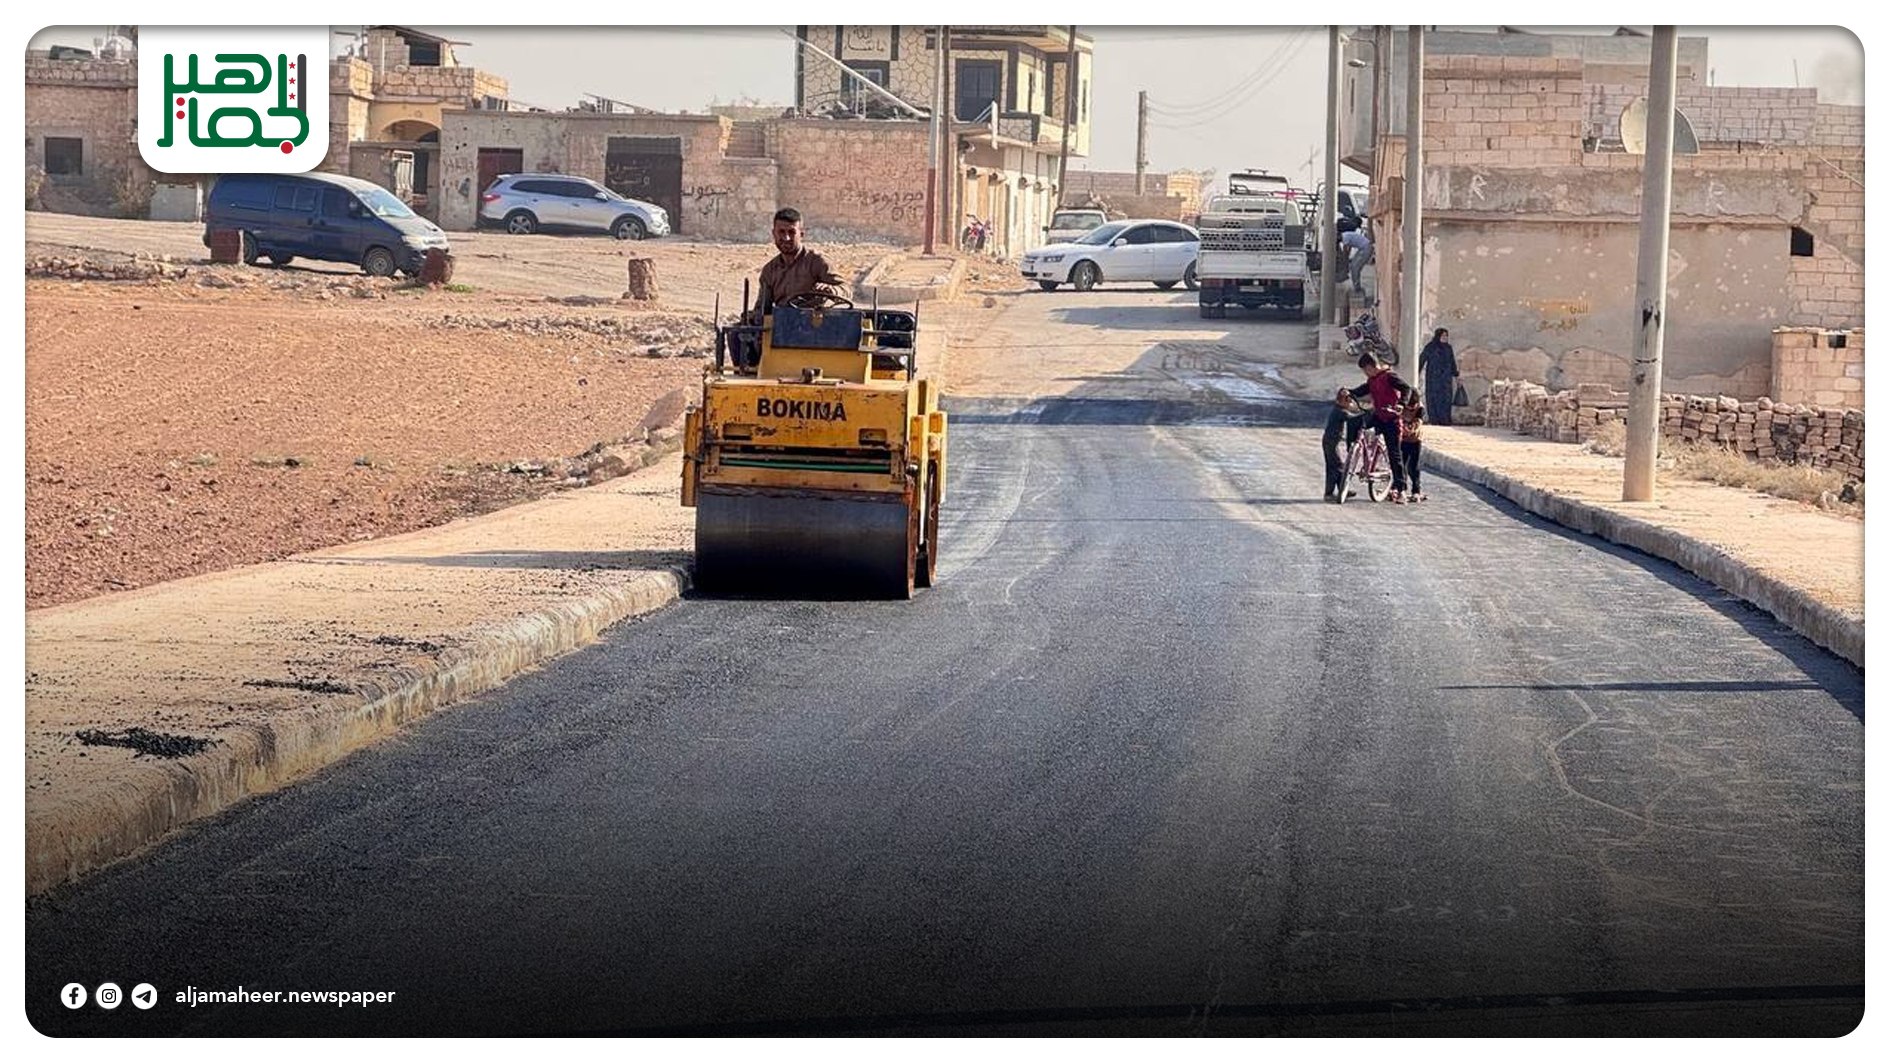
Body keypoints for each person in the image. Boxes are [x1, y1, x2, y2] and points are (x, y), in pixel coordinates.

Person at [1345, 352, 1417, 503]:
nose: (1365, 373)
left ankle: (1401, 490)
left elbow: (1406, 389)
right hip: (1378, 415)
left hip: (1391, 419)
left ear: (1372, 366)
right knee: (1354, 422)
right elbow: (1364, 389)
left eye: (1366, 370)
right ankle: (1353, 450)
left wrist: (1401, 404)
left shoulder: (1389, 376)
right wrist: (1350, 392)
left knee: (1394, 455)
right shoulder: (1372, 379)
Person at [754, 207, 845, 318]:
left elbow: (845, 289)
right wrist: (754, 317)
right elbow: (763, 309)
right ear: (774, 233)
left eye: (791, 232)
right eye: (781, 232)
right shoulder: (770, 270)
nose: (786, 238)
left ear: (801, 234)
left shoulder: (817, 262)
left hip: (813, 323)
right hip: (783, 324)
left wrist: (831, 290)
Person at [1322, 387, 1366, 502]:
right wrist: (1365, 413)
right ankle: (1329, 493)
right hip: (1331, 442)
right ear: (1342, 401)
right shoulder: (1340, 411)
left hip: (1330, 441)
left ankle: (1342, 489)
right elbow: (1352, 417)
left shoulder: (1338, 409)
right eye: (1348, 401)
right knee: (1335, 466)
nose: (1350, 403)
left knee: (1337, 466)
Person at [1418, 327, 1460, 427]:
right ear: (1438, 336)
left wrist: (1456, 375)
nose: (1445, 338)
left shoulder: (1448, 348)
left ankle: (1445, 420)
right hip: (1433, 378)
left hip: (1446, 379)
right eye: (1443, 335)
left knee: (1446, 399)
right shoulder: (1430, 347)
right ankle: (1434, 420)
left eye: (1446, 336)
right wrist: (1417, 372)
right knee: (1433, 399)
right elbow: (1422, 359)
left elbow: (1452, 362)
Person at [1399, 400, 1427, 502]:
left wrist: (1407, 430)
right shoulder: (1401, 404)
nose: (1410, 409)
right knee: (1401, 465)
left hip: (1415, 440)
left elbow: (1417, 424)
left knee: (1414, 467)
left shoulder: (1420, 409)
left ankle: (1416, 491)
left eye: (1412, 407)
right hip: (1403, 440)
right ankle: (1401, 488)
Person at [1341, 226, 1374, 292]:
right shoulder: (1345, 235)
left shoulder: (1344, 238)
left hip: (1366, 248)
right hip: (1364, 247)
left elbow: (1346, 252)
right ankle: (1356, 286)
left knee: (1355, 267)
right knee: (1353, 265)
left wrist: (1345, 263)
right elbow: (1348, 250)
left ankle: (1357, 288)